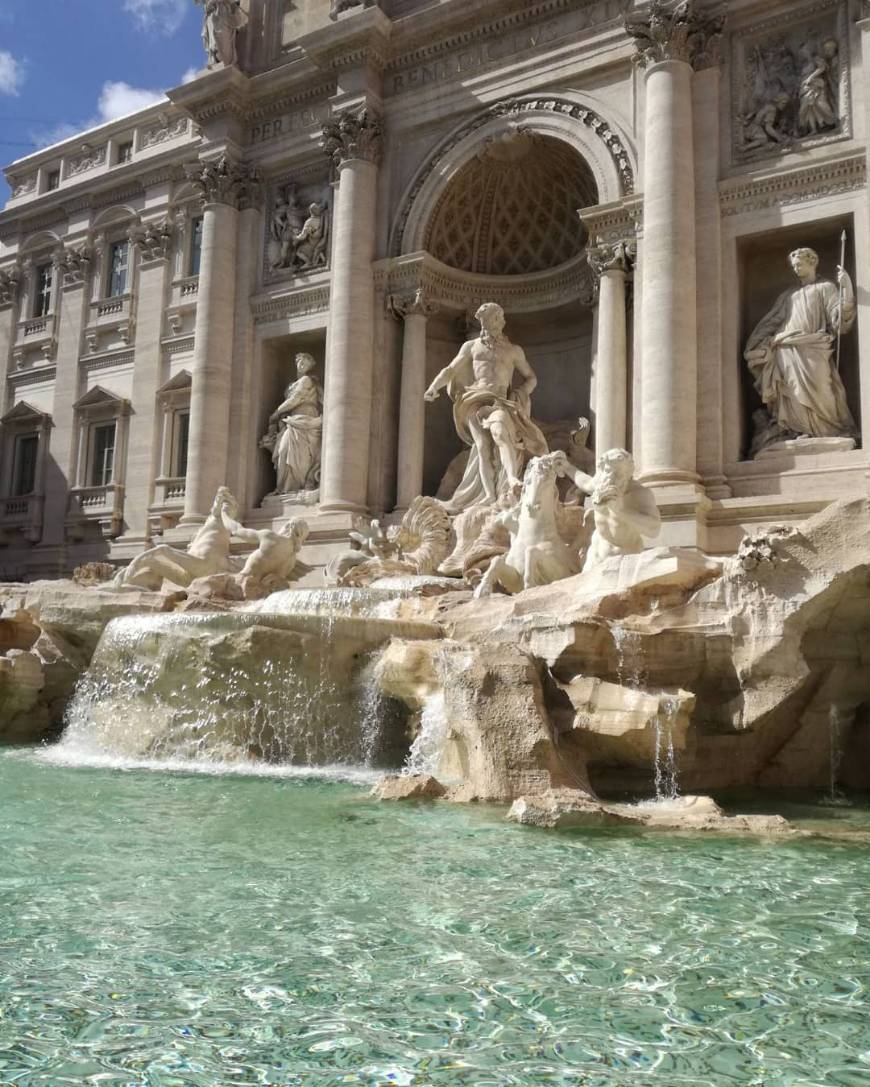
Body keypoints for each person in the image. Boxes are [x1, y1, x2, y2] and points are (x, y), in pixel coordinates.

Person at [424, 302, 548, 512]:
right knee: (481, 447)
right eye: (496, 319)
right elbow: (451, 369)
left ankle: (511, 480)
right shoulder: (471, 346)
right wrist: (433, 387)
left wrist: (521, 393)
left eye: (500, 319)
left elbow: (531, 378)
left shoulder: (513, 350)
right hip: (474, 399)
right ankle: (490, 495)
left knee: (500, 431)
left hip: (499, 401)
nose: (502, 322)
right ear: (486, 321)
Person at [744, 247, 856, 447]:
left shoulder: (826, 287)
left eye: (799, 264)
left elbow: (838, 319)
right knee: (793, 391)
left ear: (812, 262)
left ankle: (830, 430)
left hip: (815, 345)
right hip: (787, 347)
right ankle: (800, 430)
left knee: (823, 389)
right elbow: (772, 321)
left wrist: (846, 289)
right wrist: (756, 342)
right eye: (794, 266)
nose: (796, 269)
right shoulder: (788, 295)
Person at [556, 448, 661, 569]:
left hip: (623, 559)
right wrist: (567, 467)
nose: (611, 477)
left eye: (618, 473)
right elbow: (585, 483)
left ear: (628, 474)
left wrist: (619, 511)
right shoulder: (602, 483)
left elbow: (654, 529)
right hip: (595, 557)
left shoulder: (639, 494)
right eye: (607, 471)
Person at [261, 354, 323, 495]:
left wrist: (276, 412)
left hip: (306, 419)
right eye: (301, 362)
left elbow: (296, 399)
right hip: (291, 420)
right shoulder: (291, 385)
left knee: (300, 456)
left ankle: (296, 488)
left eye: (306, 364)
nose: (302, 365)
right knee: (283, 451)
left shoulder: (307, 380)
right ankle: (284, 488)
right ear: (296, 363)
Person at [200, 0, 247, 68]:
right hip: (211, 15)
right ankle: (215, 59)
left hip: (222, 13)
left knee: (221, 39)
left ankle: (225, 60)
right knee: (213, 43)